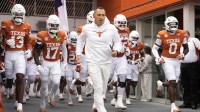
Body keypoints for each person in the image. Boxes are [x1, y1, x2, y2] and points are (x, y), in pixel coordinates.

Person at [76, 7, 123, 112]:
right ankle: (102, 109)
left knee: (103, 88)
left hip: (106, 61)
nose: (101, 17)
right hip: (92, 61)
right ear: (94, 16)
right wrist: (78, 54)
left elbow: (118, 42)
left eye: (103, 15)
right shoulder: (86, 28)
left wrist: (116, 50)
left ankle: (96, 104)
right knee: (98, 86)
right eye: (99, 15)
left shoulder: (111, 28)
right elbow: (80, 41)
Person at [152, 16, 189, 112]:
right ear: (166, 25)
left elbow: (186, 48)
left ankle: (161, 84)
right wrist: (158, 57)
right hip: (167, 60)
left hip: (177, 60)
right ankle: (173, 106)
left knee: (174, 83)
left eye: (174, 24)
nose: (173, 26)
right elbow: (154, 49)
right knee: (172, 82)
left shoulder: (181, 33)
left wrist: (182, 54)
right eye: (171, 24)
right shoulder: (162, 34)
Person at [0, 4, 32, 112]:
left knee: (20, 77)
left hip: (20, 54)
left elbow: (27, 42)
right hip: (9, 54)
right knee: (9, 78)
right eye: (17, 14)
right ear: (13, 14)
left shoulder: (27, 26)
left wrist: (28, 49)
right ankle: (9, 85)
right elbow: (1, 40)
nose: (19, 16)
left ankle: (19, 104)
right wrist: (5, 42)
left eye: (21, 14)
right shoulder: (6, 24)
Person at [34, 15, 67, 112]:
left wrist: (64, 62)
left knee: (56, 82)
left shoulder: (61, 34)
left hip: (56, 62)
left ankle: (52, 95)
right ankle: (42, 103)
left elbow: (64, 49)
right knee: (44, 86)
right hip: (45, 62)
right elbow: (36, 51)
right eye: (52, 25)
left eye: (56, 25)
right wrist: (38, 64)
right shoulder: (42, 35)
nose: (54, 27)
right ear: (48, 25)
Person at [109, 14, 129, 109]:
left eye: (123, 23)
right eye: (120, 24)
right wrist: (112, 50)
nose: (122, 26)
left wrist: (127, 48)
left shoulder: (127, 30)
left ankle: (119, 101)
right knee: (107, 78)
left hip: (121, 57)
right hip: (111, 58)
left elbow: (126, 42)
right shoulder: (111, 30)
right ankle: (98, 99)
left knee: (122, 77)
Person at [178, 30, 200, 109]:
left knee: (193, 84)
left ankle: (194, 102)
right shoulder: (180, 43)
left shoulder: (194, 40)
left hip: (192, 65)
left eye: (185, 34)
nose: (183, 35)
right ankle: (186, 102)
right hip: (183, 65)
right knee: (185, 85)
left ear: (188, 34)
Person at [125, 30, 144, 105]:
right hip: (128, 65)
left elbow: (143, 55)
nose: (135, 39)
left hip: (135, 65)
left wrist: (139, 60)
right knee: (128, 82)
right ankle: (127, 98)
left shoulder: (140, 45)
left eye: (136, 38)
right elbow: (123, 55)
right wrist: (127, 59)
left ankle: (128, 92)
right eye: (133, 38)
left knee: (134, 83)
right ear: (130, 37)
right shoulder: (126, 45)